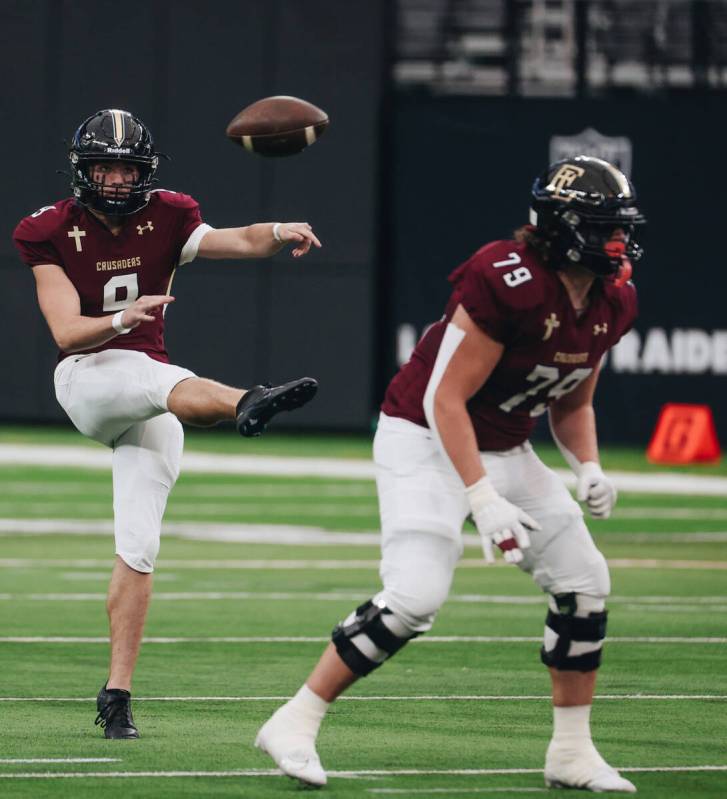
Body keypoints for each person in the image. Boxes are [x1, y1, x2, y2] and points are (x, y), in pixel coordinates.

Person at [255, 156, 645, 793]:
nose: (619, 242)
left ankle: (571, 752)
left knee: (584, 581)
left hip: (503, 447)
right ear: (564, 227)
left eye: (622, 228)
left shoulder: (613, 299)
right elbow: (444, 399)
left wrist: (589, 466)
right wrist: (482, 497)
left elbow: (573, 402)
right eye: (606, 228)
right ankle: (295, 720)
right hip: (422, 439)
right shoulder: (507, 276)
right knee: (415, 597)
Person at [12, 108, 321, 740]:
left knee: (140, 546)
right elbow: (68, 330)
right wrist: (125, 321)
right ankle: (246, 402)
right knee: (157, 376)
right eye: (106, 167)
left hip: (151, 398)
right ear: (83, 170)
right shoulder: (44, 230)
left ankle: (117, 693)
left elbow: (235, 240)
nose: (118, 180)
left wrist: (280, 227)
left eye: (127, 169)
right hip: (87, 380)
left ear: (144, 172)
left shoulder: (171, 214)